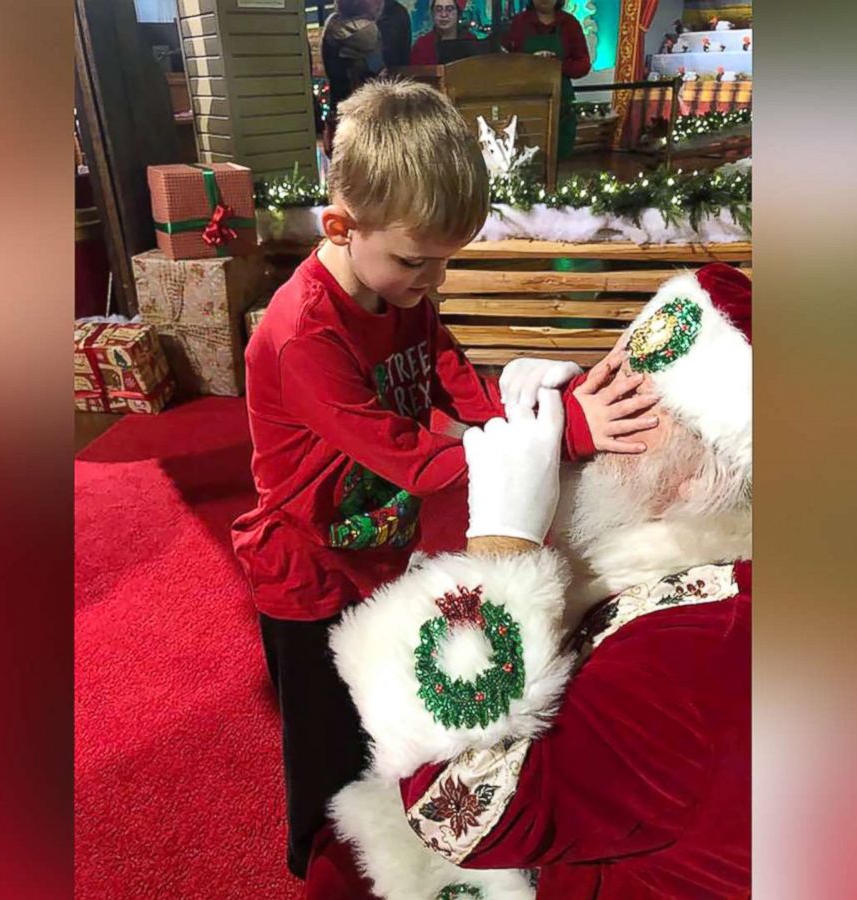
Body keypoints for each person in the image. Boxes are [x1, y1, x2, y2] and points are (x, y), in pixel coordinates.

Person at [231, 79, 663, 880]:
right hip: (307, 570)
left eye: (444, 264)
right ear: (340, 226)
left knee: (380, 720)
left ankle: (386, 846)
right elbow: (406, 453)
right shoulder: (302, 338)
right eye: (415, 261)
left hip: (376, 547)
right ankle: (320, 870)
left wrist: (519, 416)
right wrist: (558, 435)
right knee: (324, 744)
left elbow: (446, 367)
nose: (431, 281)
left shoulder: (401, 290)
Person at [305, 263, 755, 898]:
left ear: (705, 473)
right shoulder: (704, 559)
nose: (601, 404)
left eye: (635, 396)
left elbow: (456, 811)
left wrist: (501, 547)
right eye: (614, 366)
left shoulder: (698, 647)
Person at [501, 0, 591, 161]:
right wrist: (529, 62)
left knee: (557, 157)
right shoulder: (519, 23)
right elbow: (505, 63)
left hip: (560, 104)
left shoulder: (569, 24)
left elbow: (583, 64)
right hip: (524, 103)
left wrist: (557, 65)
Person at [322, 0, 386, 155]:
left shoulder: (331, 25)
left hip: (338, 111)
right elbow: (376, 71)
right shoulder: (368, 31)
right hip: (365, 114)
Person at [410, 0, 476, 66]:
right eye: (438, 10)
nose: (444, 15)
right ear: (432, 13)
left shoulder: (470, 40)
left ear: (458, 13)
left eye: (449, 9)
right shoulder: (422, 45)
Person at [377, 0, 413, 69]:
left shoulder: (400, 12)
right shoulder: (359, 8)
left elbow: (404, 52)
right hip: (361, 73)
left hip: (393, 73)